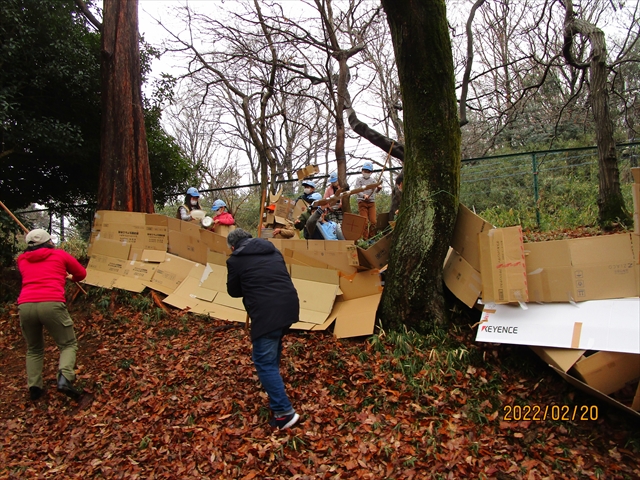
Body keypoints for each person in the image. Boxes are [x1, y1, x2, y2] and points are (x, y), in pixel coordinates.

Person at [226, 229, 301, 430]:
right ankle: (273, 385)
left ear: (233, 246)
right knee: (272, 349)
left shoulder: (235, 259)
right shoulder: (273, 250)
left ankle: (284, 413)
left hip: (266, 311)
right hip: (289, 305)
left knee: (264, 361)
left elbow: (233, 291)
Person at [17, 229, 87, 401]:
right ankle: (64, 377)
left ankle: (34, 387)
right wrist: (69, 276)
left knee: (33, 349)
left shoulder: (21, 260)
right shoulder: (59, 255)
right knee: (68, 344)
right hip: (51, 303)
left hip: (25, 305)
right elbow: (81, 274)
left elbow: (35, 272)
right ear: (49, 242)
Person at [355, 161, 382, 239]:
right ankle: (365, 239)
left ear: (371, 172)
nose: (366, 172)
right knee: (365, 222)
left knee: (373, 221)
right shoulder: (359, 179)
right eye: (365, 171)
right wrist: (364, 195)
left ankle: (372, 238)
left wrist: (378, 189)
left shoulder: (373, 181)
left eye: (368, 171)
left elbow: (375, 192)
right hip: (362, 202)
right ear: (362, 171)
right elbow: (357, 190)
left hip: (371, 202)